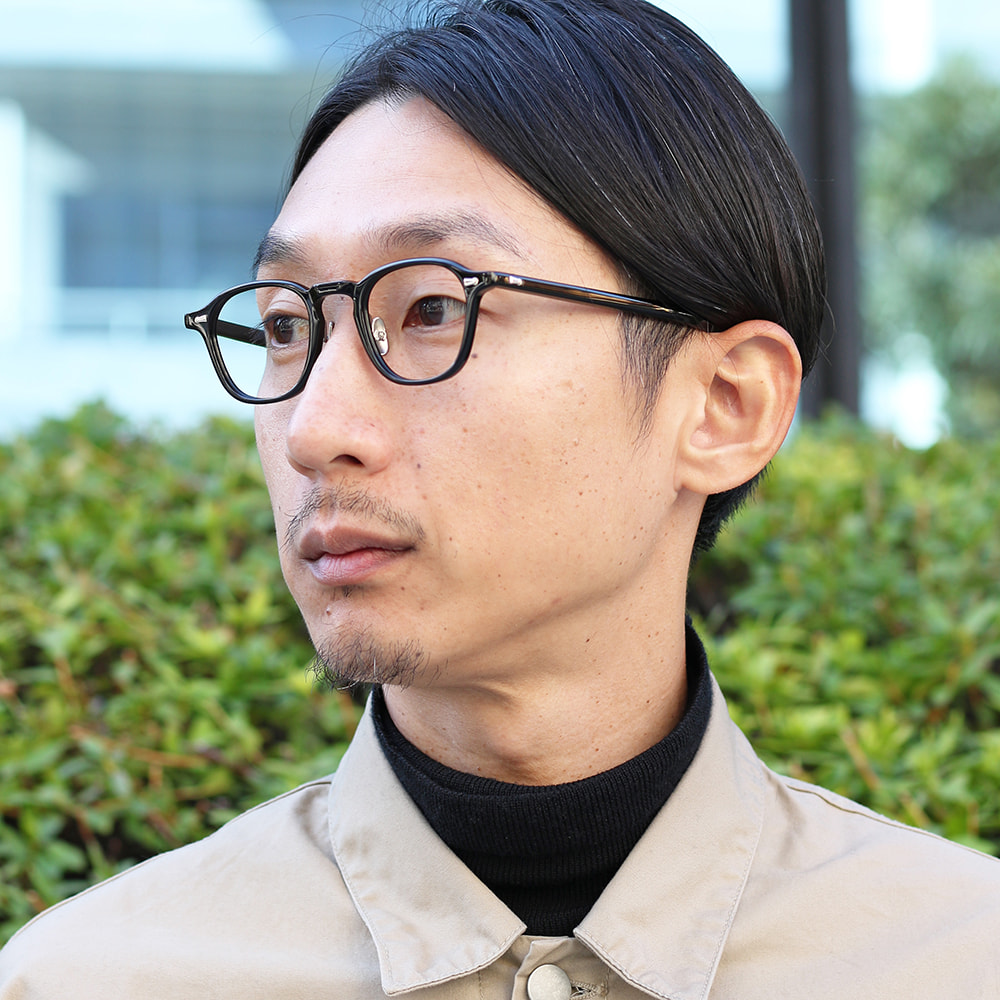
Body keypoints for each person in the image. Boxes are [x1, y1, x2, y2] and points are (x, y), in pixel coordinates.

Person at [3, 0, 999, 996]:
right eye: (285, 326)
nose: (312, 428)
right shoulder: (95, 978)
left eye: (433, 308)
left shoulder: (955, 959)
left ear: (724, 405)